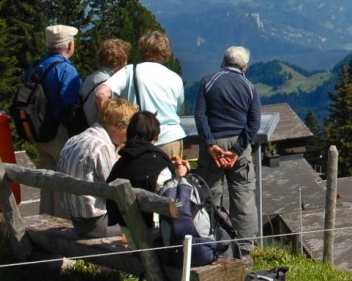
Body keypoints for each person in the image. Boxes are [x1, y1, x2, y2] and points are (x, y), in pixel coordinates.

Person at [194, 45, 262, 260]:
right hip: (238, 148)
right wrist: (236, 150)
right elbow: (254, 123)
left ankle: (213, 245)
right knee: (243, 196)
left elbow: (200, 116)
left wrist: (210, 143)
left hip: (212, 146)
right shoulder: (249, 87)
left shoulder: (208, 81)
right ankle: (245, 250)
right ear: (245, 68)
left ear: (223, 62)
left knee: (210, 195)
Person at [57, 95, 136, 237]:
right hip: (96, 223)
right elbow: (118, 188)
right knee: (149, 223)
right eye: (129, 130)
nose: (128, 136)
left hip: (76, 219)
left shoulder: (75, 139)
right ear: (119, 126)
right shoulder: (102, 146)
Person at [99, 30, 187, 157]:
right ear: (166, 52)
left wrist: (111, 124)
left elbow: (101, 93)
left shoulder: (130, 71)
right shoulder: (175, 78)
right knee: (171, 176)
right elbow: (179, 110)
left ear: (141, 49)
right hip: (171, 138)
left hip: (140, 139)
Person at [29, 23, 83, 216]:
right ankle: (62, 224)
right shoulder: (66, 70)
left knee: (47, 183)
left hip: (38, 133)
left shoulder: (36, 66)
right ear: (69, 45)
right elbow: (72, 104)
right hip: (58, 133)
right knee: (64, 183)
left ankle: (45, 220)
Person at [106, 110, 189, 228]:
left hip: (128, 230)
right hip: (154, 232)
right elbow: (176, 202)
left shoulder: (120, 163)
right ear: (155, 135)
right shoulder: (158, 164)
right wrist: (181, 177)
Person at [81, 38, 130, 128]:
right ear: (121, 61)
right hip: (103, 132)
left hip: (87, 129)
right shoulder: (109, 84)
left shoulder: (89, 79)